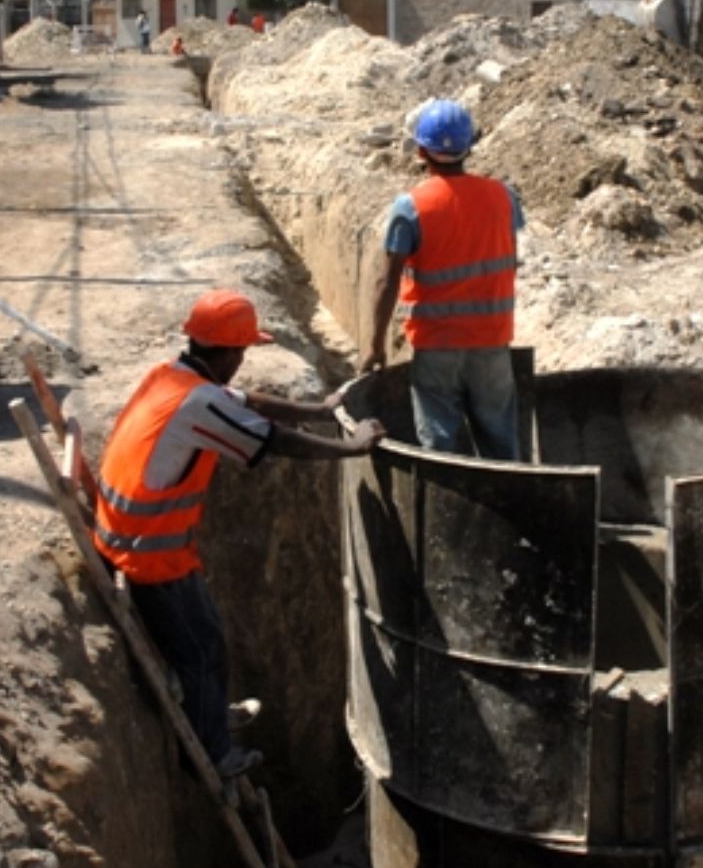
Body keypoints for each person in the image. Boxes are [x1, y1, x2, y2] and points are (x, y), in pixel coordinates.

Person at [94, 290, 385, 779]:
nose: (243, 361)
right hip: (148, 554)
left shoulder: (172, 377)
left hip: (127, 535)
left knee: (205, 639)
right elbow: (272, 439)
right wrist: (351, 448)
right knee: (202, 649)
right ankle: (213, 752)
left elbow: (248, 402)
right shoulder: (199, 403)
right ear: (228, 352)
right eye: (243, 352)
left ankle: (208, 712)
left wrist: (319, 409)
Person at [360, 99, 523, 459]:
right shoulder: (504, 197)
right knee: (500, 442)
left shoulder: (411, 207)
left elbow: (387, 282)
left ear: (421, 151)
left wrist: (375, 345)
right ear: (470, 147)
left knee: (440, 448)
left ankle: (443, 497)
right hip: (492, 340)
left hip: (437, 346)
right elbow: (509, 258)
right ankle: (507, 495)